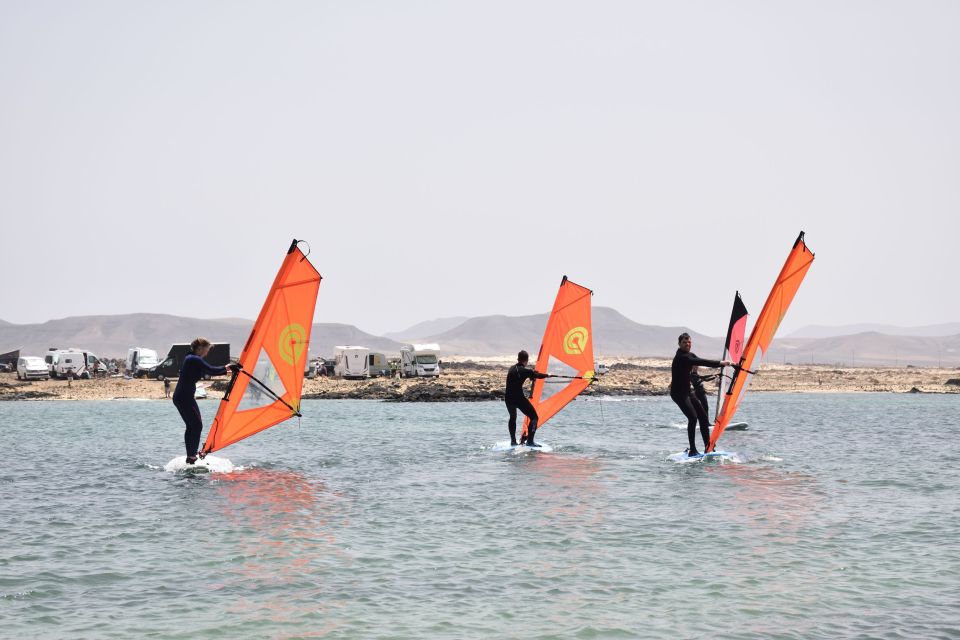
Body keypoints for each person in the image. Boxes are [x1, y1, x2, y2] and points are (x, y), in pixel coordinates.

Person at [172, 337, 238, 464]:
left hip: (181, 396)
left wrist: (227, 369)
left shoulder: (190, 358)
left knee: (192, 426)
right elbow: (211, 369)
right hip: (184, 397)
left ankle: (190, 455)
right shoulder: (194, 359)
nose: (207, 353)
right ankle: (191, 456)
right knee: (197, 425)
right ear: (200, 348)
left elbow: (211, 371)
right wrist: (227, 368)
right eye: (207, 350)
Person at [671, 333, 732, 456]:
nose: (687, 344)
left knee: (703, 417)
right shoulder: (681, 357)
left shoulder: (690, 355)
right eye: (684, 342)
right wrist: (720, 363)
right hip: (678, 394)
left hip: (688, 392)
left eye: (689, 342)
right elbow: (702, 361)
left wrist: (728, 365)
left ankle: (708, 447)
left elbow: (699, 361)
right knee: (693, 418)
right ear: (679, 344)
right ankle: (692, 450)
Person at [505, 350, 549, 447]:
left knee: (513, 418)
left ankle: (513, 441)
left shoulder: (511, 368)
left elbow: (524, 375)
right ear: (526, 360)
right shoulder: (525, 371)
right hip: (518, 398)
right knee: (534, 417)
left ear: (518, 359)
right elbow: (536, 375)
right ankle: (530, 441)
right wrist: (547, 375)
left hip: (508, 398)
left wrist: (531, 376)